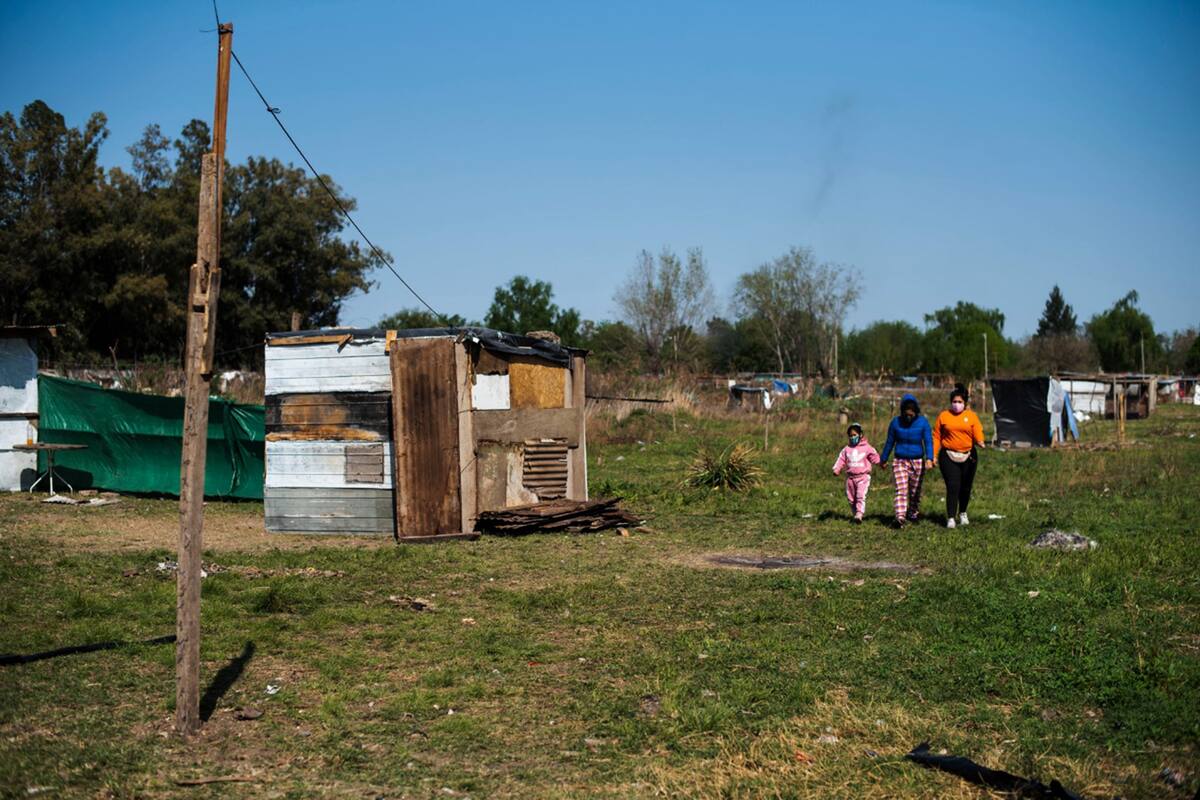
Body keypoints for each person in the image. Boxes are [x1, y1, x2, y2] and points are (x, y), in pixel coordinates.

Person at [933, 383, 985, 528]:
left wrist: (980, 441)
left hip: (968, 456)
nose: (957, 405)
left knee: (966, 487)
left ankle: (962, 512)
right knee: (953, 485)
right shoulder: (944, 416)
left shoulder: (971, 416)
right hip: (948, 455)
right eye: (954, 402)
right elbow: (936, 436)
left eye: (960, 402)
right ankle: (951, 517)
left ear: (965, 403)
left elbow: (977, 431)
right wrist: (933, 456)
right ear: (951, 403)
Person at [878, 393, 933, 527]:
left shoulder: (923, 423)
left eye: (911, 413)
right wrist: (883, 459)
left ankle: (913, 513)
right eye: (906, 413)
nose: (908, 416)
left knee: (915, 491)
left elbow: (928, 442)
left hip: (917, 461)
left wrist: (929, 458)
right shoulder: (895, 423)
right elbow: (889, 442)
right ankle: (900, 517)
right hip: (900, 461)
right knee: (901, 489)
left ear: (915, 411)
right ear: (902, 411)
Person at [832, 423, 880, 523]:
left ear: (860, 435)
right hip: (850, 478)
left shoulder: (867, 448)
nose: (852, 437)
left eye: (855, 435)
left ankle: (859, 514)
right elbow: (841, 459)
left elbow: (874, 457)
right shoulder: (846, 449)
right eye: (851, 435)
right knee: (851, 498)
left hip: (863, 477)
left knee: (860, 495)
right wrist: (836, 469)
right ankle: (855, 515)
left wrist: (881, 463)